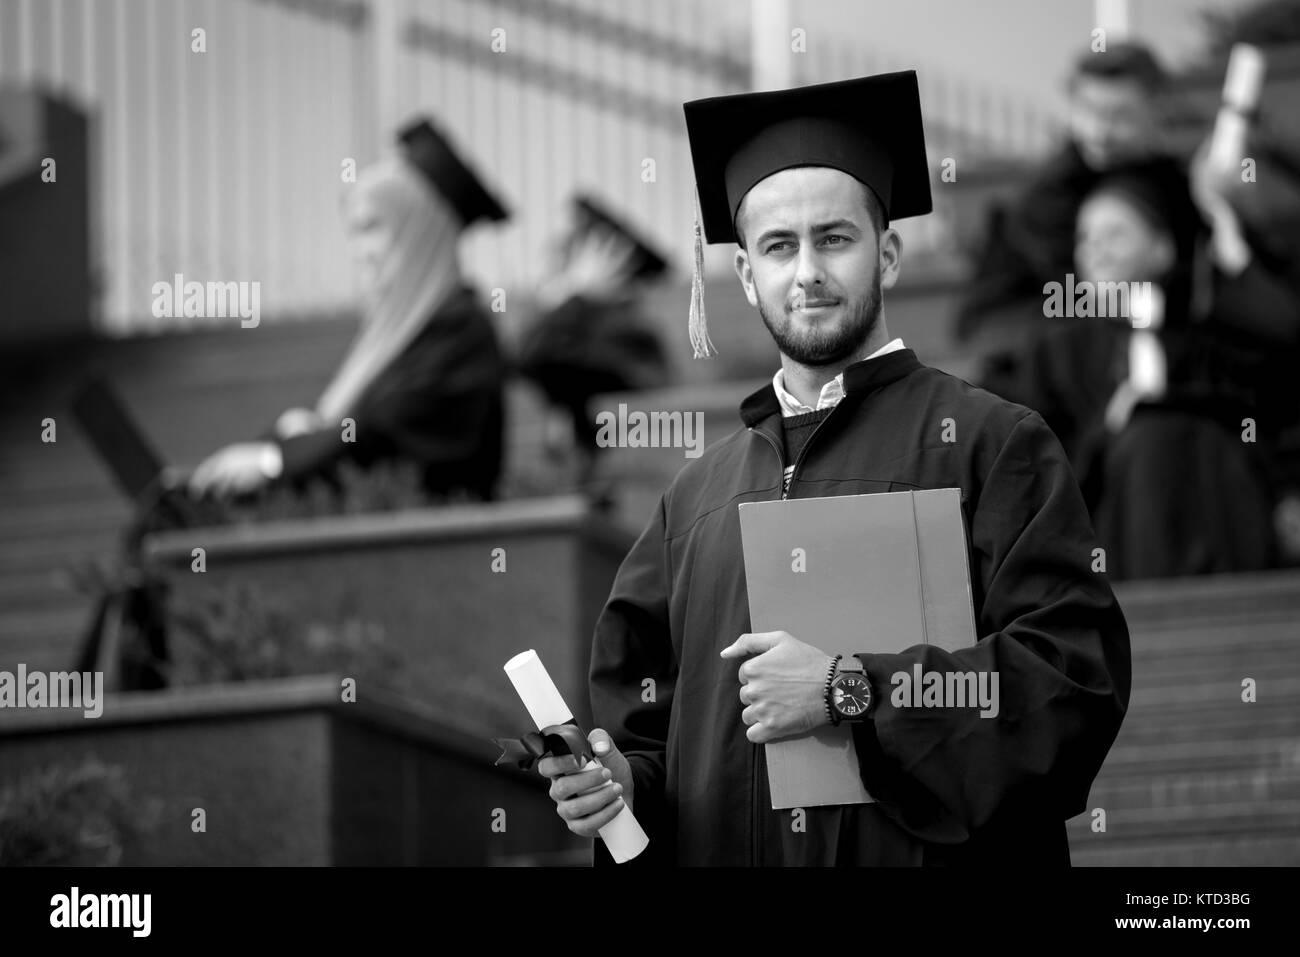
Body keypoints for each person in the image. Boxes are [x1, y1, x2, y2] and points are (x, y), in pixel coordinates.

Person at [536, 72, 1132, 866]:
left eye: (835, 238)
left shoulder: (993, 444)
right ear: (746, 273)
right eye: (779, 246)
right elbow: (656, 729)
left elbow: (1070, 684)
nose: (807, 270)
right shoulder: (694, 499)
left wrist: (849, 689)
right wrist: (624, 786)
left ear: (886, 254)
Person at [188, 118, 509, 503]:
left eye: (373, 226)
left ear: (420, 230)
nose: (360, 253)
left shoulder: (460, 330)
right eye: (354, 233)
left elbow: (386, 434)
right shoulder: (406, 331)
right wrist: (305, 432)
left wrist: (275, 461)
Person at [955, 42, 1186, 402]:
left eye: (1120, 115)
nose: (1101, 131)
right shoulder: (1049, 197)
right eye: (1090, 112)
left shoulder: (1174, 184)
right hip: (1035, 336)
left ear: (1157, 108)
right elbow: (1091, 293)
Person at [515, 194, 673, 465]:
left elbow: (528, 352)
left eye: (568, 265)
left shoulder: (627, 340)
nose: (555, 280)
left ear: (612, 267)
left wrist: (576, 297)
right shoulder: (567, 338)